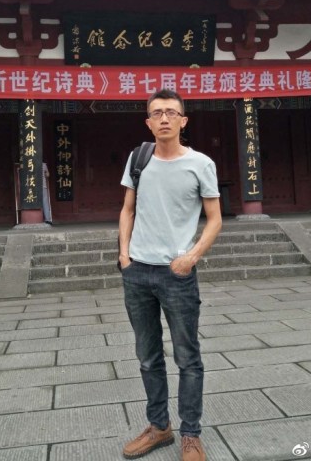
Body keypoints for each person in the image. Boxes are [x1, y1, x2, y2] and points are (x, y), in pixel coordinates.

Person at [118, 89, 222, 461]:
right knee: (148, 356)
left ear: (183, 120)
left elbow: (215, 219)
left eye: (171, 113)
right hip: (137, 273)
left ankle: (190, 434)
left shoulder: (201, 164)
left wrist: (191, 256)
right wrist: (124, 255)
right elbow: (127, 209)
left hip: (177, 275)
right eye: (157, 113)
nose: (164, 118)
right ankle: (159, 427)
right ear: (148, 122)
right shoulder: (138, 159)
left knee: (187, 357)